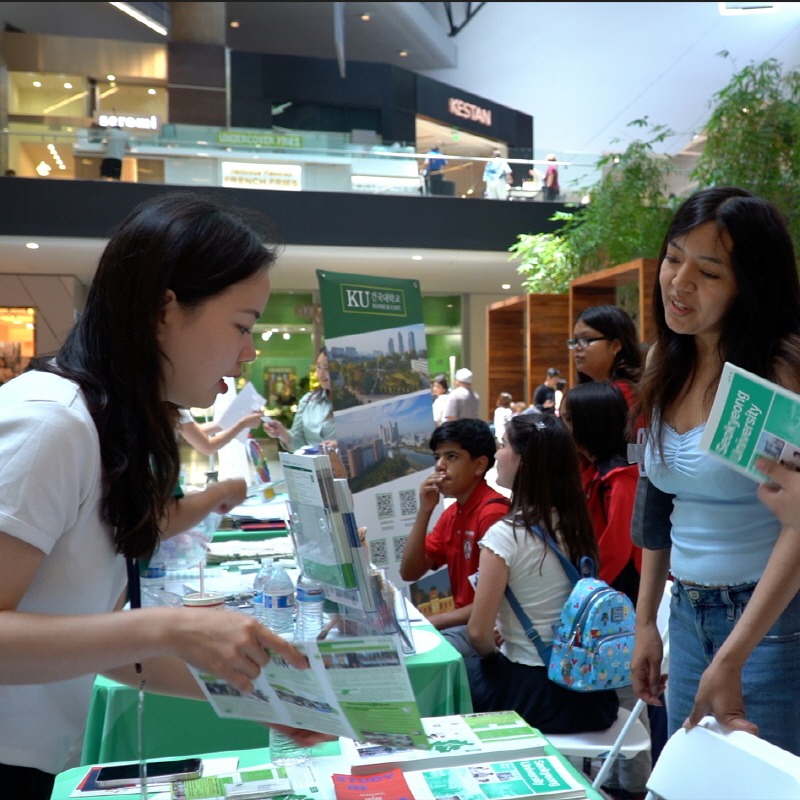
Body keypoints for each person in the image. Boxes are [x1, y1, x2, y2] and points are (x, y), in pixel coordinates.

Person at [0, 193, 323, 796]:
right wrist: (167, 628)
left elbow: (84, 638)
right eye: (242, 325)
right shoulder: (50, 422)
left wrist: (265, 694)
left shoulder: (104, 427)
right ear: (162, 310)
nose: (249, 351)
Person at [631, 186, 800, 756]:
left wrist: (734, 655)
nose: (679, 283)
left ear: (750, 285)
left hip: (771, 624)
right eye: (673, 258)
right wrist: (647, 622)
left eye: (708, 272)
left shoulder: (778, 371)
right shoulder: (664, 360)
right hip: (684, 612)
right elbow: (660, 501)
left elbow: (799, 524)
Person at [464, 414, 619, 732]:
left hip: (535, 692)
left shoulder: (504, 536)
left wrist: (500, 645)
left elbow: (478, 635)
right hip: (593, 693)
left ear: (523, 461)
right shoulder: (577, 524)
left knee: (456, 676)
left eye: (503, 445)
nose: (497, 454)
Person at [562, 380, 647, 798]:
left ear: (590, 424)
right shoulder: (591, 468)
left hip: (619, 601)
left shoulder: (622, 477)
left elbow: (615, 548)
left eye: (568, 419)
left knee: (627, 696)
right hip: (601, 595)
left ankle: (635, 786)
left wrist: (582, 595)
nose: (562, 427)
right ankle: (613, 779)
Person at [400, 419, 508, 655]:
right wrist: (424, 511)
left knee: (412, 652)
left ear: (479, 465)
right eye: (437, 457)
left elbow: (499, 601)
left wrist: (430, 622)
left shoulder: (493, 513)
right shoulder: (453, 513)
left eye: (451, 457)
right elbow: (410, 572)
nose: (440, 466)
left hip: (488, 628)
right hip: (463, 624)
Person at [263, 348, 335, 451]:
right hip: (312, 461)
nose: (320, 374)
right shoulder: (308, 400)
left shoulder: (356, 403)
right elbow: (297, 443)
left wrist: (340, 447)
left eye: (326, 368)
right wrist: (281, 432)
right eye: (318, 367)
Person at [569, 304, 642, 406]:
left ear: (616, 345)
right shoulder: (589, 391)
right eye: (576, 340)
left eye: (586, 339)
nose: (577, 347)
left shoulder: (623, 395)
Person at [178, 408, 264, 456]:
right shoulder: (177, 410)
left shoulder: (178, 409)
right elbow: (208, 448)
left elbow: (194, 432)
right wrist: (242, 424)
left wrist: (238, 419)